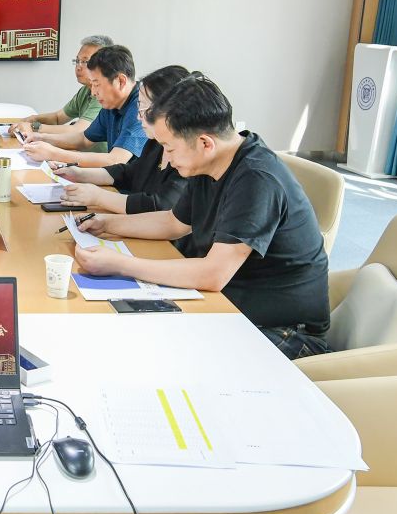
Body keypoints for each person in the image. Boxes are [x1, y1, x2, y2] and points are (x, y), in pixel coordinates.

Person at [71, 74, 331, 359]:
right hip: (227, 305)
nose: (167, 158)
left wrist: (120, 265)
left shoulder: (257, 179)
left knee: (157, 352)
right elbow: (173, 223)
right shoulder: (210, 163)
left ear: (205, 143)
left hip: (283, 331)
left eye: (170, 148)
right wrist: (106, 223)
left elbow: (213, 274)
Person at [55, 64, 191, 215]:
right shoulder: (155, 143)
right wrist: (80, 174)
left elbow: (160, 206)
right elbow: (130, 172)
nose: (139, 117)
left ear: (171, 112)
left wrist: (98, 197)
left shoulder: (188, 156)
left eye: (144, 109)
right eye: (139, 108)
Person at [23, 43, 144, 169]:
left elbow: (115, 160)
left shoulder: (141, 106)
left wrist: (53, 153)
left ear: (121, 81)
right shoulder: (112, 104)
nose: (93, 92)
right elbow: (84, 139)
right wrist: (41, 138)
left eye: (96, 84)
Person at [16, 34, 111, 151]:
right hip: (79, 155)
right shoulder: (85, 90)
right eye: (77, 61)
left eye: (85, 62)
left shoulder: (103, 95)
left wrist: (33, 127)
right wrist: (32, 119)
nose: (78, 67)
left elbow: (78, 130)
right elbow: (58, 118)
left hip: (93, 160)